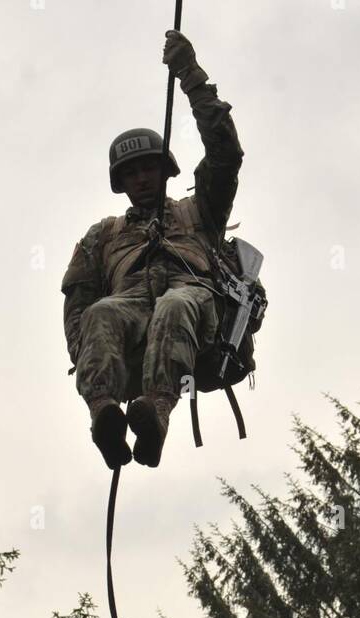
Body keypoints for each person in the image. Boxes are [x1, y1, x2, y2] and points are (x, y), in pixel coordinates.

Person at [61, 30, 244, 469]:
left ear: (165, 170)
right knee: (101, 314)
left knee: (175, 305)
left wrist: (190, 75)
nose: (142, 178)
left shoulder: (199, 211)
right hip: (129, 317)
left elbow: (226, 153)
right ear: (120, 184)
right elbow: (77, 310)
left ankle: (156, 415)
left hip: (194, 303)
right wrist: (90, 363)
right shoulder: (100, 238)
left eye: (149, 168)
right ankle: (104, 418)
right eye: (131, 173)